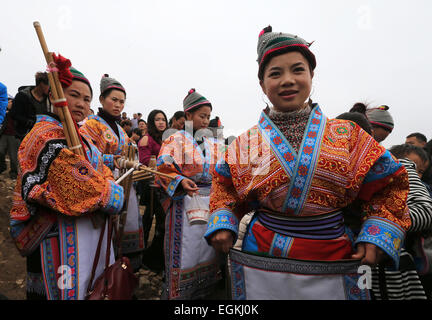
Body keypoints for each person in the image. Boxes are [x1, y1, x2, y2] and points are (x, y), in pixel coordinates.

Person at [204, 26, 411, 300]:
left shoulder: (348, 135)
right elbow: (225, 187)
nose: (287, 80)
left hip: (335, 253)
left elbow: (391, 184)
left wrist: (377, 234)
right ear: (262, 84)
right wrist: (223, 221)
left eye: (297, 70)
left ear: (311, 75)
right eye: (275, 73)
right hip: (263, 253)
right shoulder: (246, 142)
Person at [9, 58, 125, 300]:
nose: (81, 104)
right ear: (55, 96)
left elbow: (100, 168)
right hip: (58, 230)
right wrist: (111, 192)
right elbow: (72, 183)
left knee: (94, 286)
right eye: (74, 95)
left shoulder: (84, 138)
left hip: (92, 230)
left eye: (86, 99)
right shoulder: (42, 134)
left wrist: (101, 180)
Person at [156, 88, 225, 299]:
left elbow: (224, 169)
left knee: (207, 247)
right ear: (188, 115)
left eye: (208, 117)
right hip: (185, 202)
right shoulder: (175, 139)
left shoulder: (214, 142)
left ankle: (206, 289)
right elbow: (162, 166)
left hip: (210, 202)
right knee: (186, 249)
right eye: (201, 116)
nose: (206, 121)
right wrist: (180, 180)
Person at [80, 74, 144, 271]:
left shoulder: (120, 129)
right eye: (113, 100)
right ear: (101, 100)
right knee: (105, 236)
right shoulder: (91, 124)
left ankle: (123, 275)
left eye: (122, 102)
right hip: (104, 185)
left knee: (126, 232)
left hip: (125, 185)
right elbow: (85, 154)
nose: (118, 105)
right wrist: (111, 160)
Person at [367, 144, 432, 300]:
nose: (416, 175)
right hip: (383, 266)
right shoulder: (394, 173)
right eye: (413, 168)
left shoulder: (422, 190)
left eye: (421, 172)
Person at [138, 109, 168, 272]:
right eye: (157, 119)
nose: (161, 122)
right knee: (149, 220)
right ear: (151, 122)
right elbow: (144, 163)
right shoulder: (146, 139)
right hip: (151, 186)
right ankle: (144, 258)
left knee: (161, 223)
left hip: (164, 186)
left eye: (163, 119)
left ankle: (155, 257)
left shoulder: (167, 138)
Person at [9, 72, 50, 140]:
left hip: (43, 135)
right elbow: (14, 114)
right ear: (42, 84)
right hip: (24, 135)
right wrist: (30, 122)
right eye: (49, 85)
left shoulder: (49, 98)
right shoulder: (22, 96)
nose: (50, 88)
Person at [0, 94, 20, 179]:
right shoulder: (3, 112)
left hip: (14, 136)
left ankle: (13, 173)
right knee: (0, 151)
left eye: (10, 102)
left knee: (13, 156)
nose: (8, 103)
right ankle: (2, 168)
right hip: (4, 135)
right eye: (7, 102)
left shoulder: (18, 112)